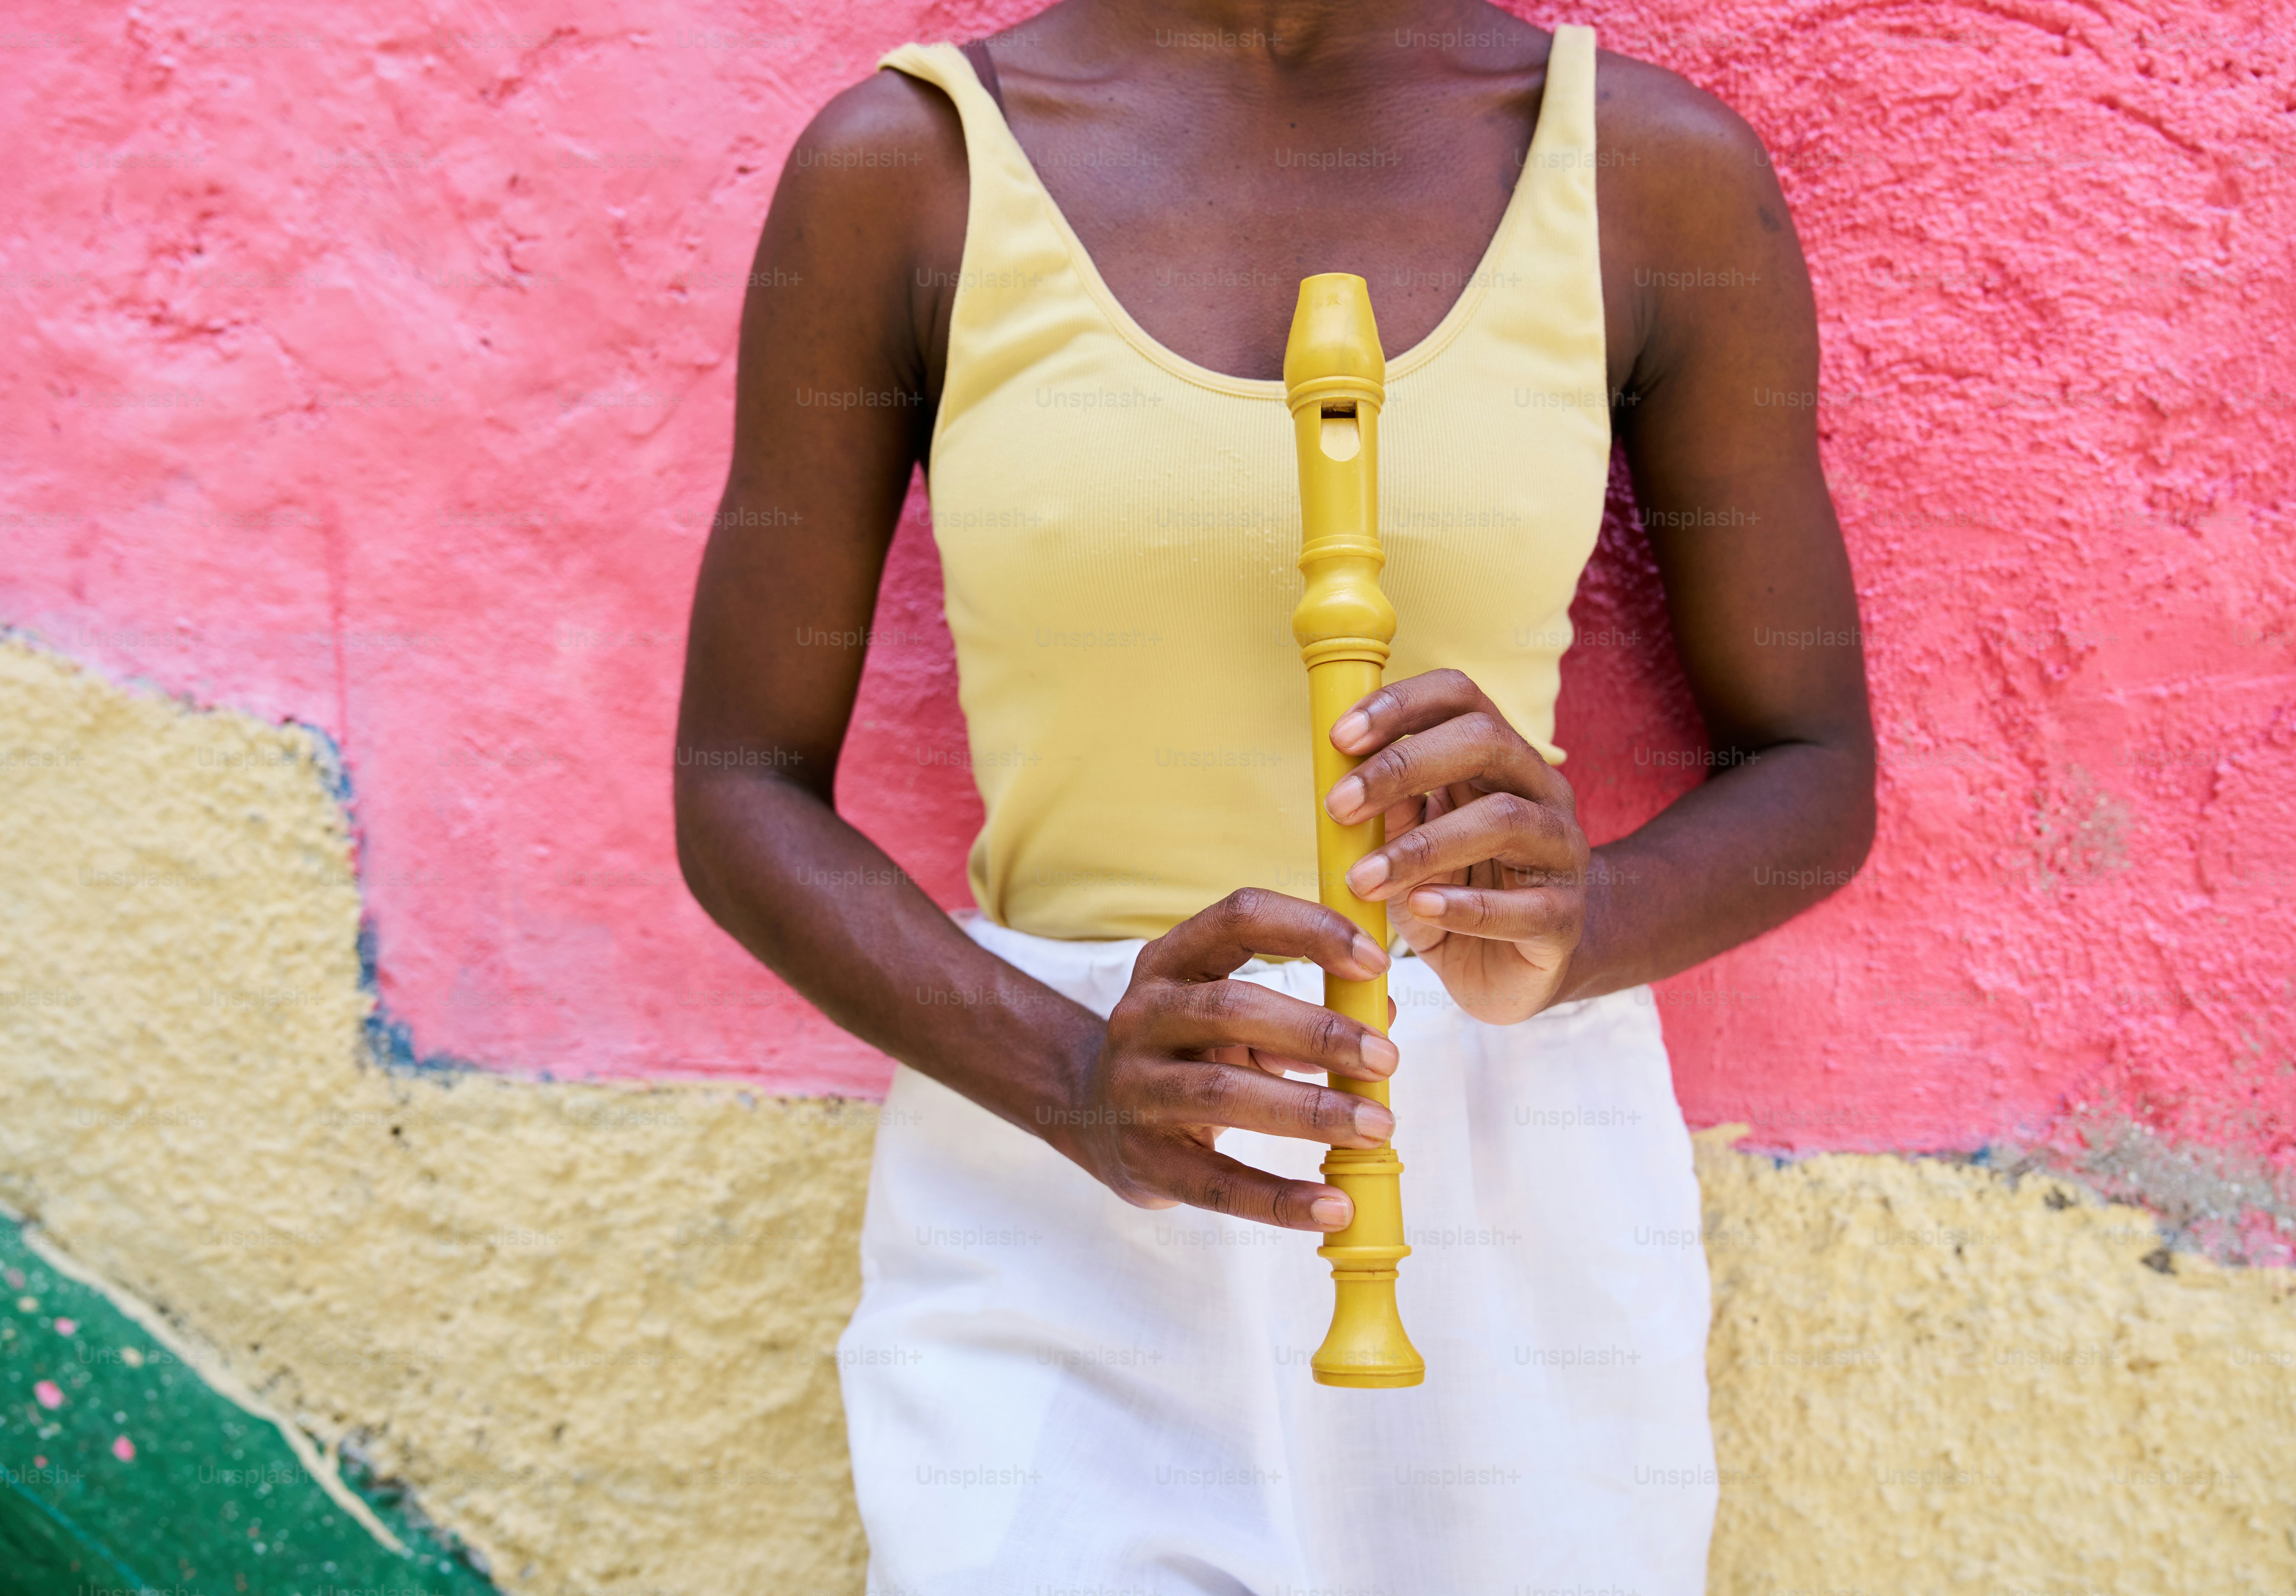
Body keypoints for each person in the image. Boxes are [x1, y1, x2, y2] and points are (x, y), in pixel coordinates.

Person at [673, 2, 1874, 1590]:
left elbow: (1814, 762)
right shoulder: (911, 174)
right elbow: (737, 782)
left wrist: (1578, 923)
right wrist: (1075, 1076)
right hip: (1051, 1165)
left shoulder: (1648, 174)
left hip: (1508, 1180)